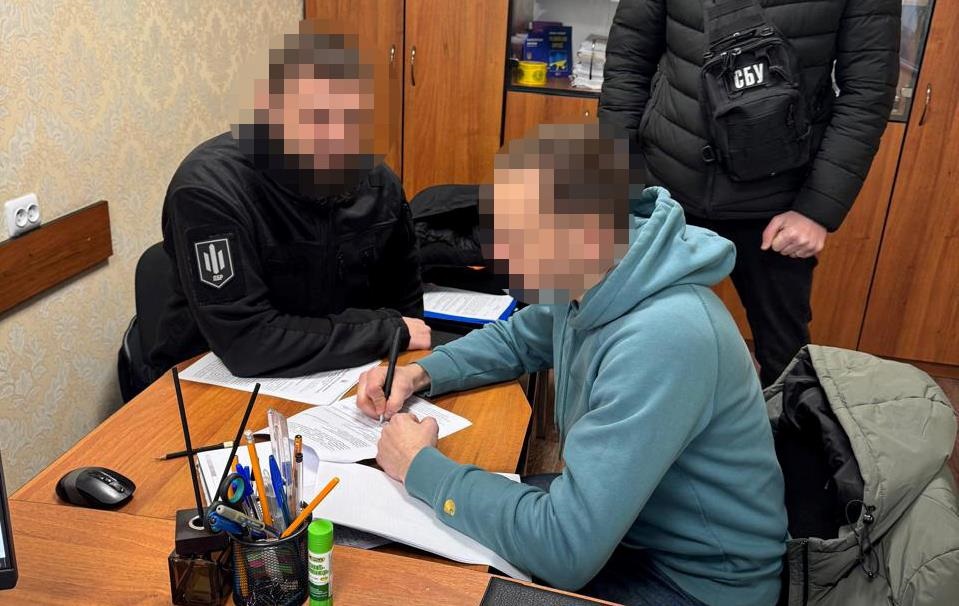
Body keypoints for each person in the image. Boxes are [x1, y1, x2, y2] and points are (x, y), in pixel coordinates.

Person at [355, 125, 788, 606]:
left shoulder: (665, 336)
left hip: (694, 583)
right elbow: (518, 338)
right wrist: (420, 372)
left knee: (436, 585)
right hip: (630, 532)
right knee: (435, 539)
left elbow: (565, 549)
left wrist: (419, 466)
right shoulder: (597, 276)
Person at [598, 0, 900, 385]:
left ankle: (775, 426)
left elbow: (867, 95)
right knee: (632, 340)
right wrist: (619, 176)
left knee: (785, 362)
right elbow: (628, 61)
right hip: (666, 186)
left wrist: (815, 211)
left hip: (776, 206)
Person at [146, 22, 430, 380]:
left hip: (341, 372)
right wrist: (385, 330)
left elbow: (408, 311)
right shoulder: (210, 188)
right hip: (209, 378)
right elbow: (246, 343)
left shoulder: (379, 183)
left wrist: (393, 347)